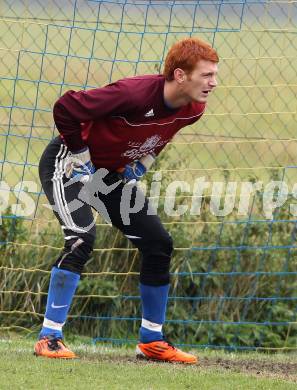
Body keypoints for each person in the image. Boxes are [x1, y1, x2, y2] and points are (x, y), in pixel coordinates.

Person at [34, 37, 219, 363]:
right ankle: (49, 337)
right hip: (68, 165)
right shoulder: (133, 94)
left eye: (214, 75)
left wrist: (144, 162)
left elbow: (165, 131)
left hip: (106, 176)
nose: (213, 83)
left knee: (158, 242)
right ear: (179, 75)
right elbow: (65, 107)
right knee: (81, 238)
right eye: (206, 75)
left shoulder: (194, 109)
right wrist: (80, 152)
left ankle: (151, 341)